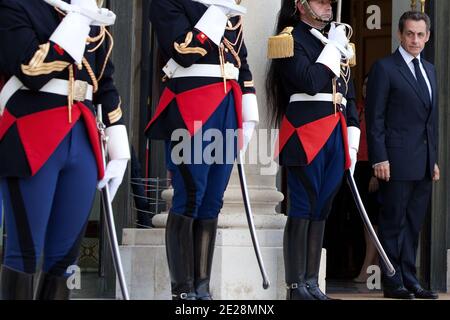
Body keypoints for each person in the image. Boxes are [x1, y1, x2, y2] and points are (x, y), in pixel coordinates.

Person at [0, 0, 130, 300]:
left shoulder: (87, 14)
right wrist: (76, 20)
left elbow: (104, 84)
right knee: (25, 250)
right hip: (33, 133)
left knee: (65, 256)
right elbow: (31, 69)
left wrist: (119, 147)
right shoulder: (17, 6)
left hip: (82, 137)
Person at [145, 0, 259, 300]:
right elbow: (182, 51)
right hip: (191, 102)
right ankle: (181, 290)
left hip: (226, 104)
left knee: (213, 199)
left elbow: (241, 60)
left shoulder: (224, 4)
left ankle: (202, 286)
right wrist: (217, 13)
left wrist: (248, 109)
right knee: (190, 193)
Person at [266, 0, 360, 300]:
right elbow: (309, 81)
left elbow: (349, 93)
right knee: (303, 207)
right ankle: (295, 287)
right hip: (305, 131)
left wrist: (353, 136)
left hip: (336, 132)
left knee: (323, 209)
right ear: (301, 5)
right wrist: (333, 48)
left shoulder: (336, 40)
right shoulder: (290, 38)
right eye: (320, 1)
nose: (328, 6)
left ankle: (311, 282)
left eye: (329, 1)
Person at [366, 11, 439, 300]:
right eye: (410, 34)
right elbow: (376, 119)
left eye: (421, 35)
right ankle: (392, 280)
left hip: (422, 162)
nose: (415, 40)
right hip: (394, 162)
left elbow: (430, 121)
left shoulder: (430, 70)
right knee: (392, 221)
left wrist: (433, 159)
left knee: (413, 223)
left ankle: (410, 279)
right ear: (399, 34)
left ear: (428, 36)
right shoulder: (385, 68)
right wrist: (379, 158)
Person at [352, 76, 380, 283]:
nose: (366, 88)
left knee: (373, 220)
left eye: (371, 85)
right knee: (363, 220)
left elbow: (379, 142)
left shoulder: (378, 111)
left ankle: (368, 269)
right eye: (364, 84)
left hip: (373, 167)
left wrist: (374, 173)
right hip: (357, 167)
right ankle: (373, 266)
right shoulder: (358, 108)